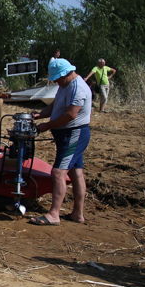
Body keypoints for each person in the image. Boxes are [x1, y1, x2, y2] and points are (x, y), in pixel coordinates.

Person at [30, 58, 92, 225]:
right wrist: (40, 115)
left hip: (73, 134)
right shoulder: (65, 85)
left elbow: (71, 114)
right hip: (67, 135)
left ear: (66, 74)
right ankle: (77, 214)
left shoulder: (78, 88)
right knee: (76, 172)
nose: (56, 81)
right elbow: (55, 105)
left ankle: (54, 214)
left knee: (58, 172)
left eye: (57, 78)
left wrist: (47, 126)